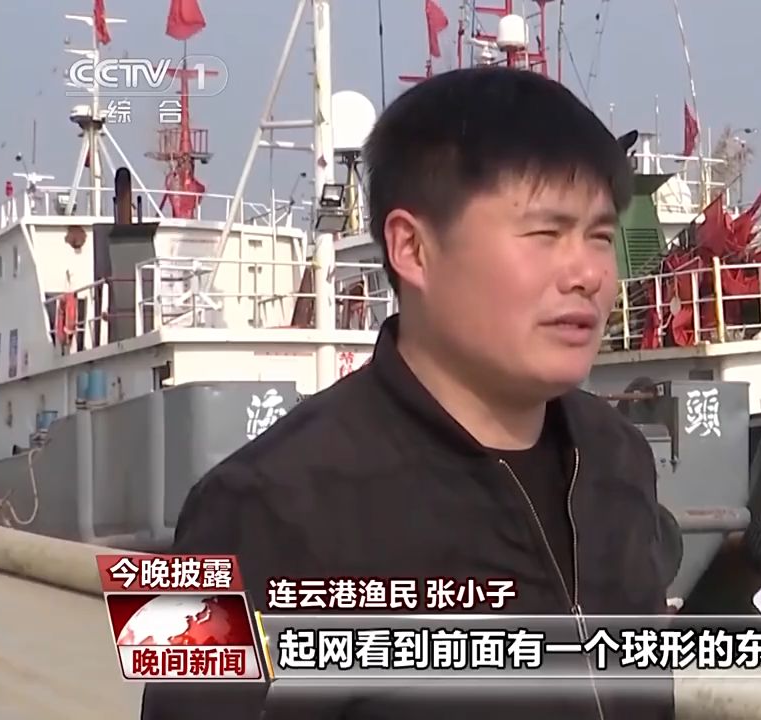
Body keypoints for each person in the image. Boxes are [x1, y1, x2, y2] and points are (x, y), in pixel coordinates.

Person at [141, 66, 672, 720]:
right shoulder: (249, 504)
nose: (588, 273)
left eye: (600, 236)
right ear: (412, 248)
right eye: (544, 234)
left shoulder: (618, 458)